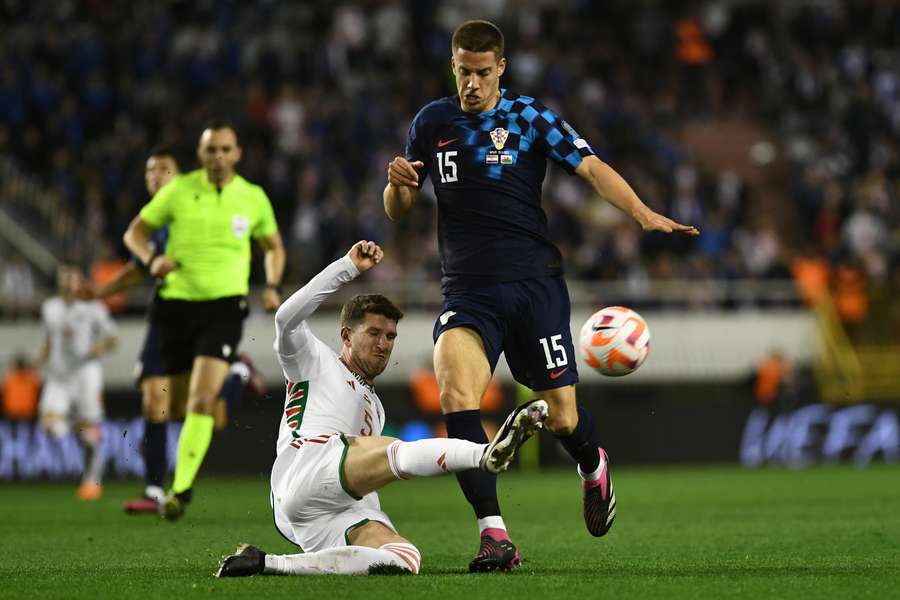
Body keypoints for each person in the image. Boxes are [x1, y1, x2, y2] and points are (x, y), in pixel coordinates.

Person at [383, 20, 699, 571]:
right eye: (463, 72)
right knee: (457, 394)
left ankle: (592, 463)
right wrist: (397, 186)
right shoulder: (432, 122)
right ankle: (494, 535)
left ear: (500, 67)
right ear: (452, 67)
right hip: (467, 291)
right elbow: (400, 207)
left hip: (535, 289)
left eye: (482, 73)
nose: (472, 84)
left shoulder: (530, 117)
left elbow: (592, 168)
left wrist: (642, 213)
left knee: (562, 419)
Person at [216, 240, 547, 577]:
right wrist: (346, 267)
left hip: (322, 512)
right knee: (393, 451)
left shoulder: (375, 408)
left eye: (390, 336)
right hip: (305, 467)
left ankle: (266, 563)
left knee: (403, 558)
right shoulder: (312, 360)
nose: (383, 344)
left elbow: (362, 475)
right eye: (374, 332)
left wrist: (373, 520)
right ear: (345, 335)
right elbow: (286, 318)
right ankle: (484, 455)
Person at [124, 120, 286, 519]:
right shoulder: (178, 191)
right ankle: (236, 379)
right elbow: (135, 233)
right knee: (175, 406)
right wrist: (152, 259)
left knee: (199, 399)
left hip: (224, 308)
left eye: (225, 150)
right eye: (211, 150)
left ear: (237, 153)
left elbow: (273, 247)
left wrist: (271, 284)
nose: (218, 157)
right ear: (200, 154)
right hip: (175, 308)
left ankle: (180, 488)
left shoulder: (252, 197)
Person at [93, 146, 264, 514]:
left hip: (204, 318)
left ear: (179, 176)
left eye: (164, 169)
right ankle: (155, 489)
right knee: (155, 401)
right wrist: (99, 292)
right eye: (150, 170)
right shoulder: (159, 221)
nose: (155, 176)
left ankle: (236, 374)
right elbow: (140, 267)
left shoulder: (192, 209)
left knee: (204, 412)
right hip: (168, 318)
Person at [36, 264, 119, 500]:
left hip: (86, 373)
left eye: (72, 278)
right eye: (64, 278)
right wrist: (39, 360)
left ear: (80, 281)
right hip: (58, 376)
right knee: (50, 427)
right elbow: (49, 339)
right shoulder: (49, 308)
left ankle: (92, 482)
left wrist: (99, 347)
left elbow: (114, 339)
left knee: (91, 435)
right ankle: (76, 426)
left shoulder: (94, 308)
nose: (68, 283)